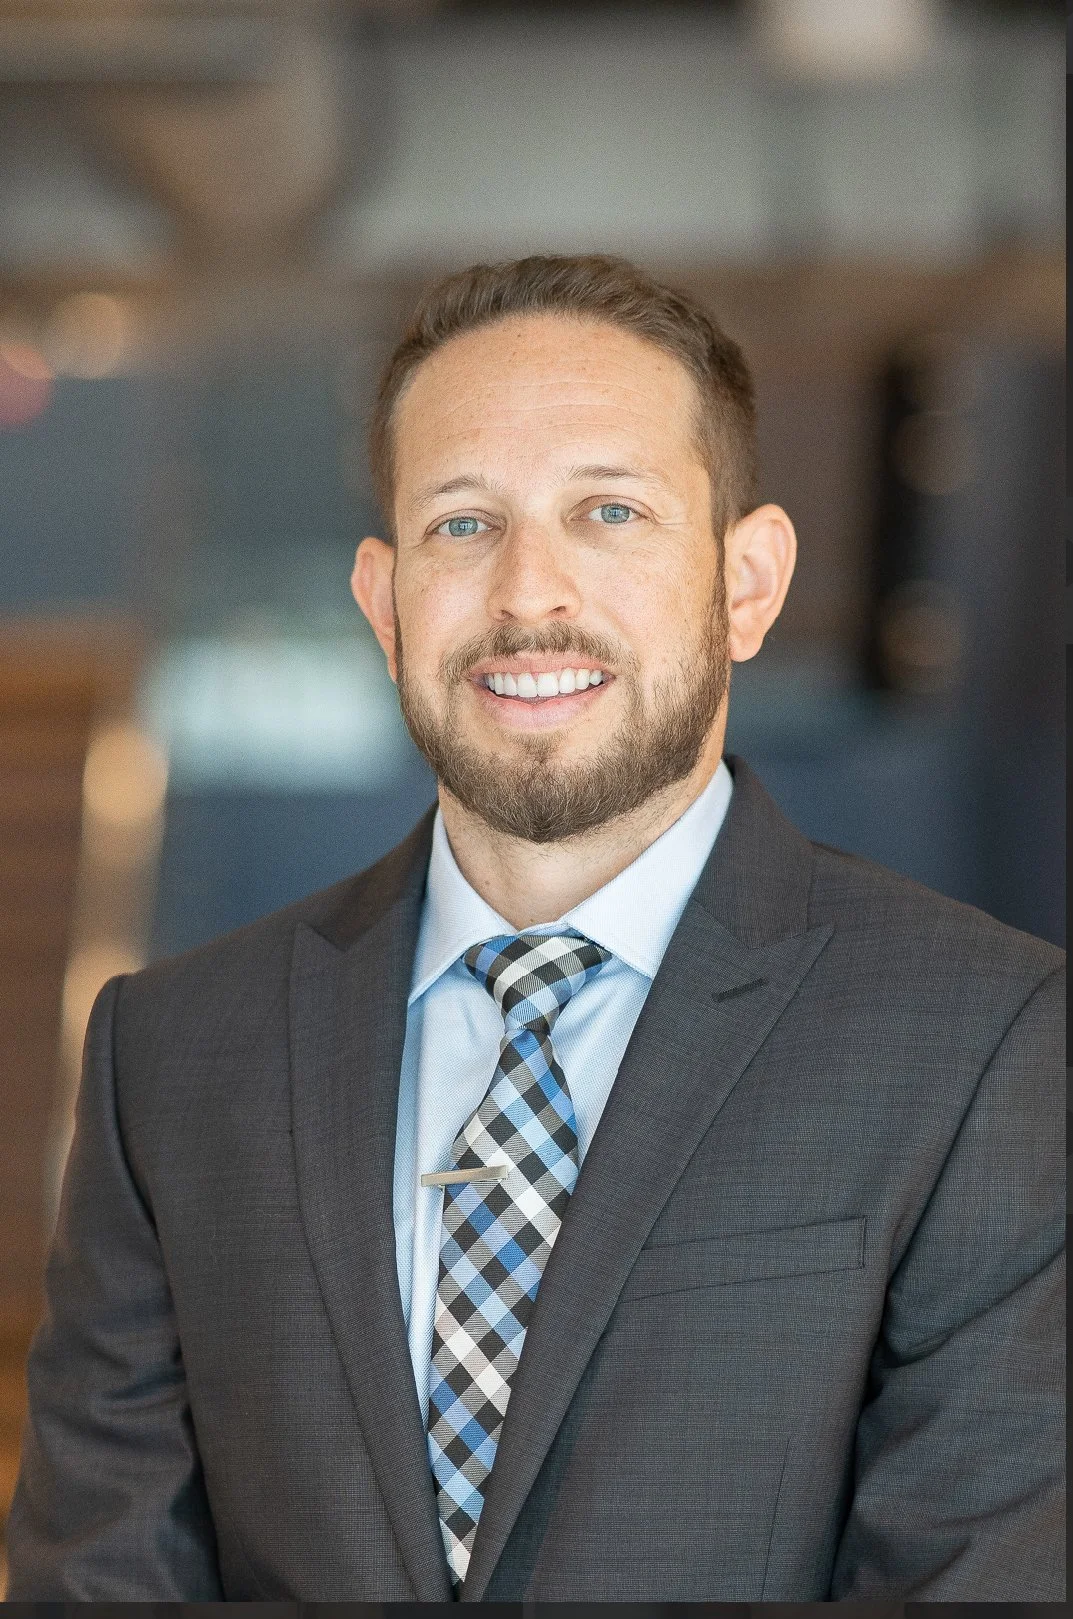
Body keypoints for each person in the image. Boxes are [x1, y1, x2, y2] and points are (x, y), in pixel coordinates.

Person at [6, 255, 1063, 1603]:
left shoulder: (982, 1040)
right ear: (384, 604)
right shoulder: (169, 1056)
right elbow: (95, 1582)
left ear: (749, 582)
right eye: (463, 524)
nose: (528, 594)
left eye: (608, 511)